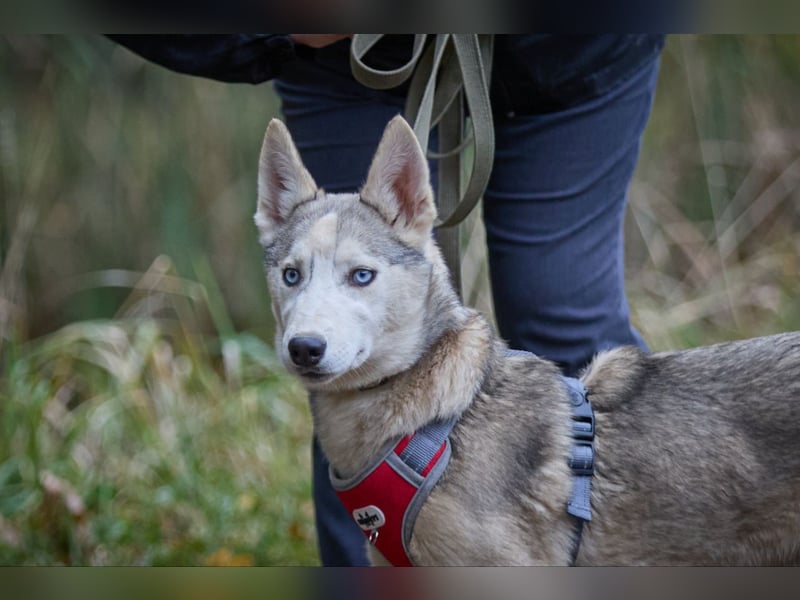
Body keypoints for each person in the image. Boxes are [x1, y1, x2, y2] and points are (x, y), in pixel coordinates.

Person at [109, 34, 665, 565]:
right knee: (344, 380)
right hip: (346, 62)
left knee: (563, 316)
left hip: (570, 51)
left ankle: (651, 549)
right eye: (291, 275)